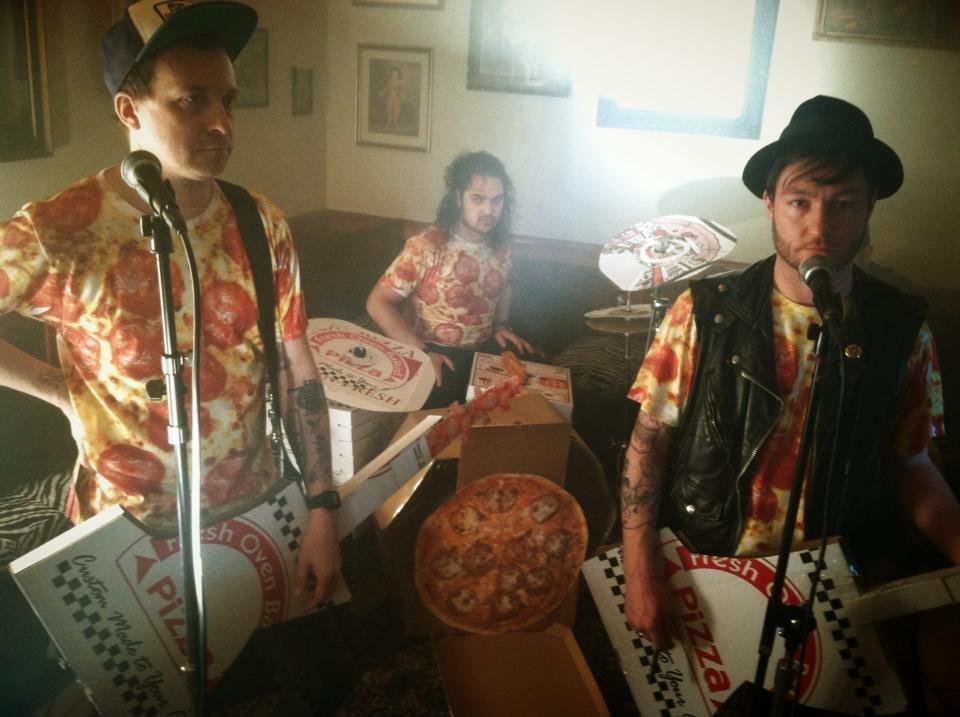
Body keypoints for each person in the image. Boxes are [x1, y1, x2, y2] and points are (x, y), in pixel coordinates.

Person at [0, 1, 344, 709]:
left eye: (227, 100)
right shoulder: (60, 230)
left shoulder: (260, 221)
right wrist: (58, 389)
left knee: (317, 685)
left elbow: (298, 368)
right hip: (125, 532)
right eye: (192, 101)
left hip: (256, 514)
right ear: (129, 109)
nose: (221, 123)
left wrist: (322, 506)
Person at [620, 95, 960, 650]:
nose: (819, 226)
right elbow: (647, 443)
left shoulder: (902, 329)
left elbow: (913, 463)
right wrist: (639, 576)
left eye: (843, 204)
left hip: (833, 589)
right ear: (769, 202)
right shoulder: (703, 312)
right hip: (709, 569)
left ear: (869, 207)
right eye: (800, 202)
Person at [366, 150, 534, 408]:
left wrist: (502, 325)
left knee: (526, 400)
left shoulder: (503, 246)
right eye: (477, 199)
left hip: (481, 352)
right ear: (458, 198)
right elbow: (377, 303)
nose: (489, 210)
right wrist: (422, 353)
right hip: (431, 351)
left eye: (497, 200)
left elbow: (505, 286)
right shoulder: (427, 245)